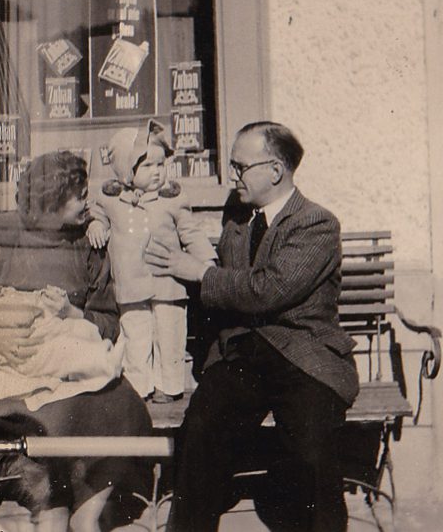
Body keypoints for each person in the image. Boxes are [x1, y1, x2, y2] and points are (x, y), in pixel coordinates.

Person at [144, 121, 360, 532]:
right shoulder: (239, 215)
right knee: (201, 431)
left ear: (275, 170)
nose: (233, 176)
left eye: (241, 167)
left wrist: (200, 274)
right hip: (245, 352)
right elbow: (235, 284)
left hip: (304, 355)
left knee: (311, 450)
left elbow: (270, 289)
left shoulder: (317, 223)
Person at [0, 150, 153, 532]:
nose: (87, 203)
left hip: (76, 361)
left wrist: (74, 316)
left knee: (124, 406)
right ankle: (60, 511)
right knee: (54, 425)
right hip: (19, 365)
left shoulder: (88, 243)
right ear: (51, 201)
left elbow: (109, 322)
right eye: (78, 196)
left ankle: (85, 513)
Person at [86, 119, 217, 402]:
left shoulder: (172, 199)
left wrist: (206, 259)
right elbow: (97, 216)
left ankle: (168, 386)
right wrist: (96, 226)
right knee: (135, 335)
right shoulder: (111, 199)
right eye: (147, 166)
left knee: (169, 335)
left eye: (160, 165)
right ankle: (138, 386)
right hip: (131, 281)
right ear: (126, 170)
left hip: (168, 282)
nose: (157, 172)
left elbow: (190, 231)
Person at [0, 261, 124, 426]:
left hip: (43, 334)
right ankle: (105, 363)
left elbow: (107, 319)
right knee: (64, 353)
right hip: (27, 352)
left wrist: (53, 303)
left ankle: (99, 357)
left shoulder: (0, 295)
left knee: (79, 332)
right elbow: (20, 316)